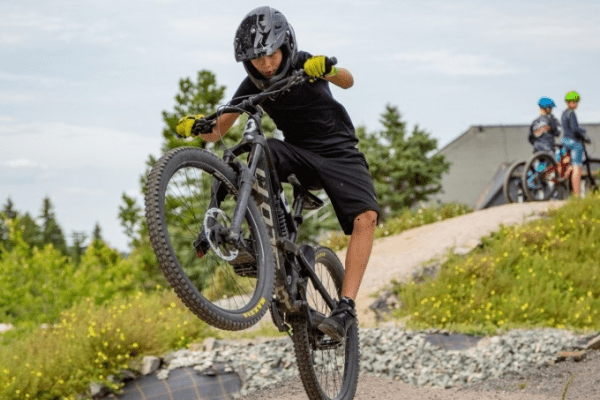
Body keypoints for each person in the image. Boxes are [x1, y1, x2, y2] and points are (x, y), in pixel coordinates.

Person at [176, 6, 380, 342]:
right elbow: (218, 131)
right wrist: (197, 126)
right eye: (258, 59)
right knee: (255, 150)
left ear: (286, 45)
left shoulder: (303, 62)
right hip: (296, 152)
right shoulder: (250, 83)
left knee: (366, 217)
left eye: (272, 54)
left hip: (338, 153)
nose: (267, 64)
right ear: (248, 61)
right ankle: (259, 240)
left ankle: (345, 307)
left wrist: (326, 69)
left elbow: (348, 80)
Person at [561, 91, 591, 197]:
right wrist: (584, 135)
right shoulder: (571, 113)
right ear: (569, 102)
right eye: (574, 102)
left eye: (576, 102)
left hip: (565, 141)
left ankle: (566, 173)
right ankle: (577, 195)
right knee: (577, 168)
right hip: (574, 142)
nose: (576, 104)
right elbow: (574, 129)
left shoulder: (564, 113)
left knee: (571, 165)